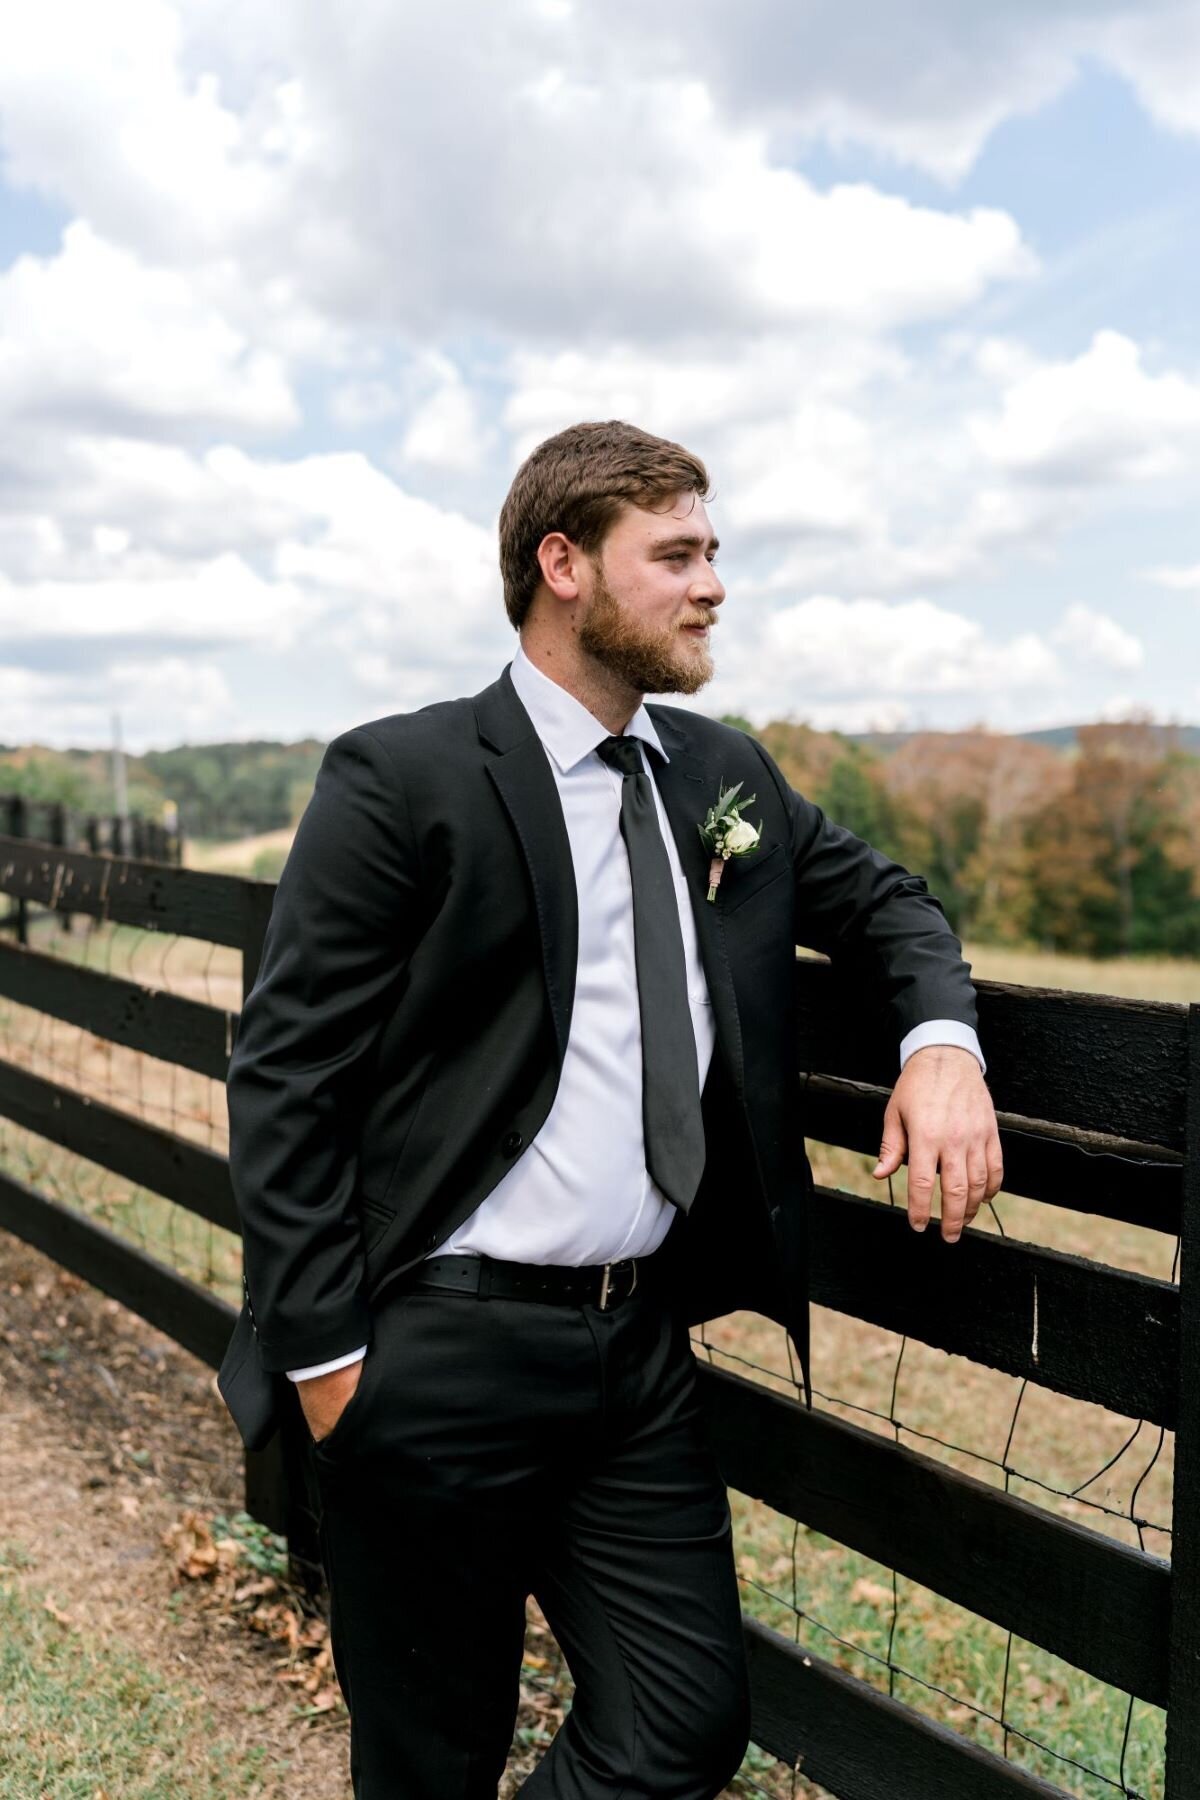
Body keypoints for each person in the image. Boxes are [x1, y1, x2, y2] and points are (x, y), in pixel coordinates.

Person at [218, 419, 1003, 1799]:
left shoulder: (723, 777)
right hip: (431, 1350)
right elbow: (285, 1076)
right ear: (562, 563)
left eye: (714, 553)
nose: (714, 586)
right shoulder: (403, 779)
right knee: (431, 1761)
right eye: (680, 555)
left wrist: (942, 1043)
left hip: (635, 1353)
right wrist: (332, 1367)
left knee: (683, 1725)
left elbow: (890, 907)